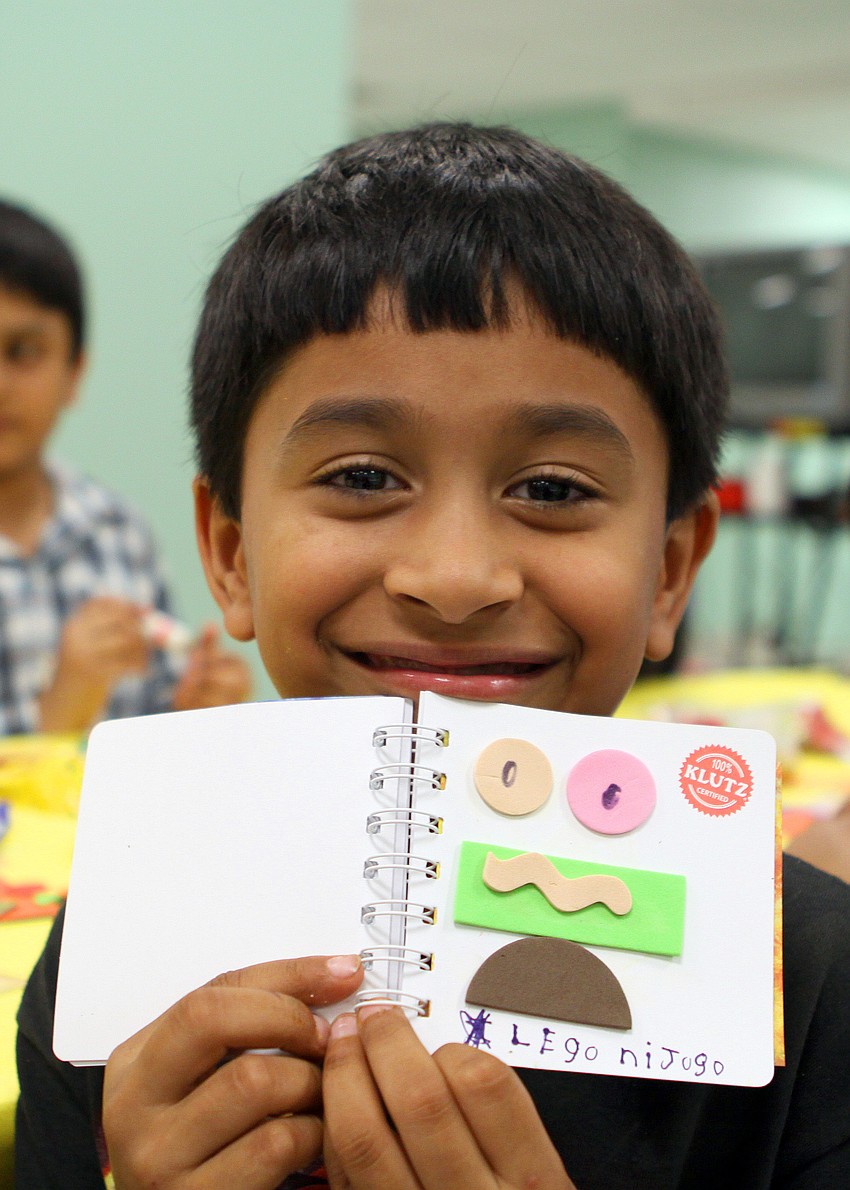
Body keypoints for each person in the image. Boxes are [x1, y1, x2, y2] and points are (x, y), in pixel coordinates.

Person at [15, 123, 850, 1189]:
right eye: (363, 477)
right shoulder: (117, 954)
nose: (455, 577)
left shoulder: (806, 979)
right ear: (229, 552)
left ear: (671, 571)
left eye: (551, 489)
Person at [0, 199, 251, 735]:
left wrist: (195, 717)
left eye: (23, 351)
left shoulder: (118, 532)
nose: (0, 384)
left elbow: (159, 750)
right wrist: (60, 717)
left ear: (74, 372)